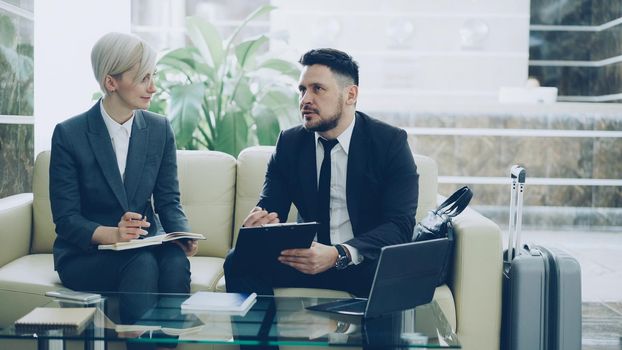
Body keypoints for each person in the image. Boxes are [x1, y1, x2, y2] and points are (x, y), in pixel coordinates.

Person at [224, 48, 419, 297]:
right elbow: (271, 208)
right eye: (302, 90)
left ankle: (372, 337)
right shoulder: (289, 143)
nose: (305, 99)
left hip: (363, 262)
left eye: (317, 89)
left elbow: (399, 225)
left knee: (395, 274)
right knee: (238, 261)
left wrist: (340, 253)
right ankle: (264, 337)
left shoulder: (389, 143)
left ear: (351, 94)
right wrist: (259, 226)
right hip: (305, 259)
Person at [49, 32, 197, 324]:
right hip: (86, 255)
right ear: (111, 82)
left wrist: (182, 234)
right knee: (139, 263)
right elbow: (66, 219)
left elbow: (168, 200)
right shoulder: (69, 134)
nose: (153, 88)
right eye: (143, 78)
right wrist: (113, 234)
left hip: (143, 244)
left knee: (175, 263)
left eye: (153, 76)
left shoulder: (159, 129)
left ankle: (168, 347)